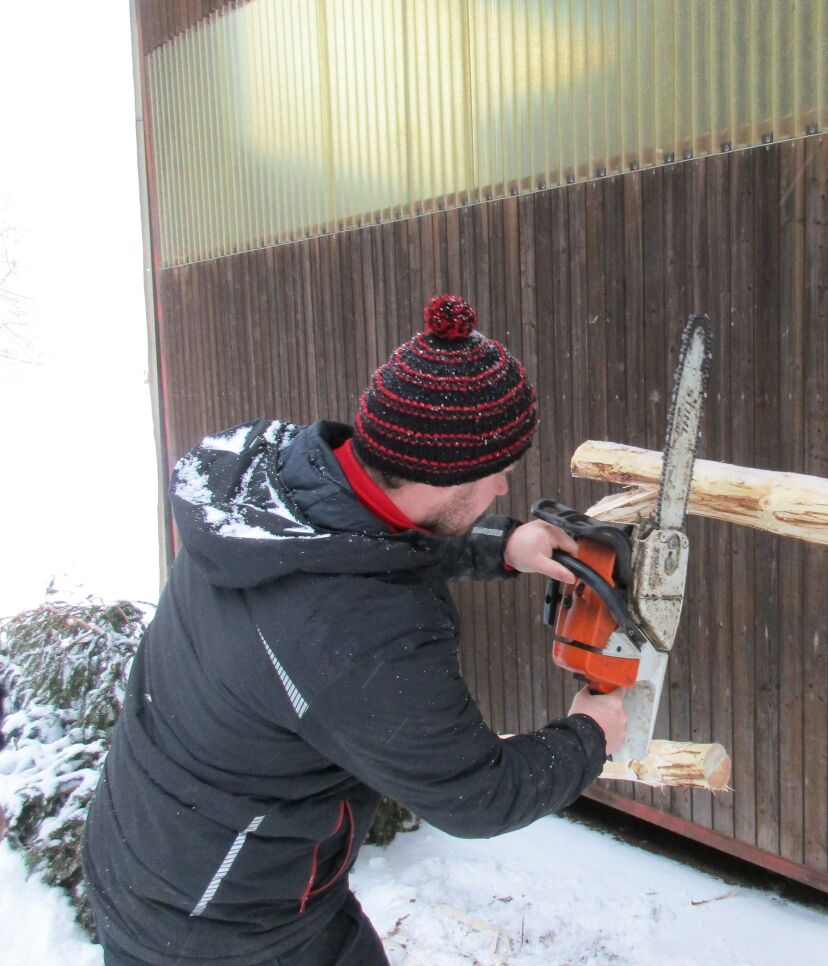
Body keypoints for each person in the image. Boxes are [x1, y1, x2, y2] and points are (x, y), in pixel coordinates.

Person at [83, 295, 627, 966]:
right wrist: (589, 735)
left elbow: (364, 539)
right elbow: (479, 796)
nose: (503, 490)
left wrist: (503, 544)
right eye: (499, 475)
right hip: (223, 928)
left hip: (166, 851)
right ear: (444, 476)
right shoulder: (363, 636)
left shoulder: (269, 483)